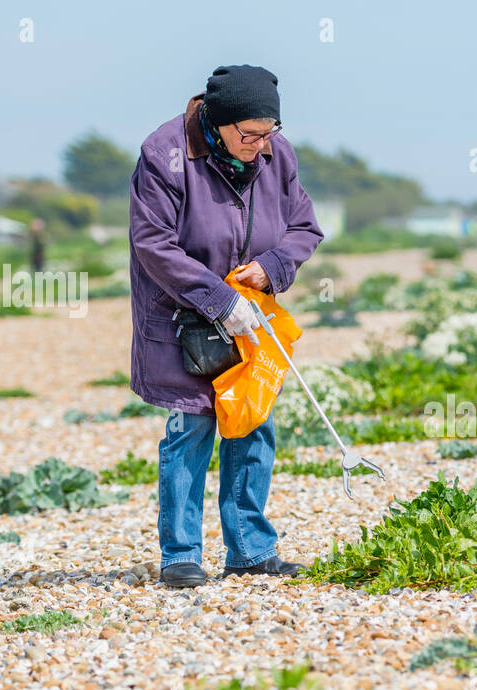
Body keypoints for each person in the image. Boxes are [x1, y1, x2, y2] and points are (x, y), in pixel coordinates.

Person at [128, 64, 324, 588]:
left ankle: (252, 551)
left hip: (252, 317)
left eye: (270, 132)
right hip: (181, 316)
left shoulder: (275, 155)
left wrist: (275, 267)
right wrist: (217, 299)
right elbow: (154, 245)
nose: (261, 146)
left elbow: (305, 227)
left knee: (252, 423)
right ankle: (181, 556)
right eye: (251, 134)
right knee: (190, 427)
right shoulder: (164, 154)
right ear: (218, 122)